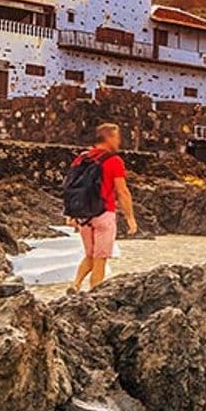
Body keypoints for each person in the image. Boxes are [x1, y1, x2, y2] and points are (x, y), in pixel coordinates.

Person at [67, 122, 137, 295]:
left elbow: (70, 186)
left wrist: (71, 213)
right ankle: (94, 294)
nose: (119, 142)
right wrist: (130, 218)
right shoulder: (114, 161)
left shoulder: (82, 158)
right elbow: (122, 192)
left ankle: (75, 284)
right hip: (104, 213)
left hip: (84, 216)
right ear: (109, 137)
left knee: (89, 255)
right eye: (117, 137)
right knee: (100, 259)